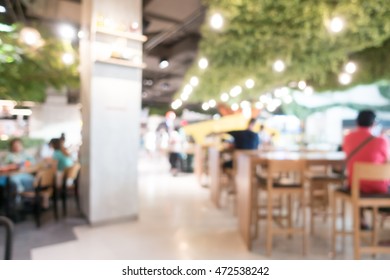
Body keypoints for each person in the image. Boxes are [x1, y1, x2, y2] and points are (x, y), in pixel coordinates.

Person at [343, 110, 390, 229]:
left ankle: (362, 220)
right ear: (374, 124)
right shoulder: (382, 140)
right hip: (378, 187)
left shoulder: (347, 138)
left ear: (357, 122)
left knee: (359, 185)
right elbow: (386, 162)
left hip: (355, 185)